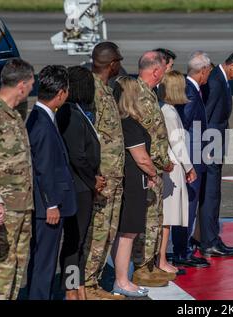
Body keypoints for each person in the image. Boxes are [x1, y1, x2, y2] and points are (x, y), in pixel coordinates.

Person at [26, 65, 77, 299]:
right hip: (48, 205)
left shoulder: (38, 117)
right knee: (45, 261)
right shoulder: (44, 125)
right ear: (61, 94)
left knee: (41, 258)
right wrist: (52, 204)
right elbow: (44, 168)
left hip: (44, 202)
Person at [199, 50, 233, 257]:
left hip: (213, 145)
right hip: (210, 147)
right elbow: (205, 116)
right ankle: (209, 242)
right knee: (211, 195)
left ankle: (211, 237)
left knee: (213, 195)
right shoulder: (215, 81)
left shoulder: (219, 79)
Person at [56, 66, 104, 300]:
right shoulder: (72, 115)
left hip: (82, 186)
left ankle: (78, 285)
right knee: (74, 241)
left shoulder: (76, 111)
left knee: (80, 240)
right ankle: (71, 289)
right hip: (79, 187)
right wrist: (93, 179)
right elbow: (78, 155)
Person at [83, 41, 126, 300]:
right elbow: (85, 137)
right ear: (112, 64)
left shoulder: (105, 90)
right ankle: (87, 285)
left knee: (107, 232)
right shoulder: (92, 92)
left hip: (112, 177)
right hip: (102, 179)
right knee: (97, 232)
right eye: (119, 61)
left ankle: (93, 282)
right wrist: (93, 175)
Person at [112, 76, 158, 297]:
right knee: (128, 233)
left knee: (124, 232)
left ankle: (121, 278)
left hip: (128, 181)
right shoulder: (128, 123)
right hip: (132, 183)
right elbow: (141, 158)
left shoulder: (118, 121)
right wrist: (153, 173)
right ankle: (122, 280)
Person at [131, 51, 174, 287]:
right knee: (149, 219)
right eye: (164, 69)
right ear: (156, 71)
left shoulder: (144, 93)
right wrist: (162, 163)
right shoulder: (143, 98)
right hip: (149, 171)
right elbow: (149, 138)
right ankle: (142, 268)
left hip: (152, 169)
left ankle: (147, 265)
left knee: (154, 218)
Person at [0, 58, 34, 300]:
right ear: (21, 85)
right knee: (2, 266)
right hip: (4, 208)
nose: (32, 89)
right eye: (31, 84)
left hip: (22, 205)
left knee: (17, 266)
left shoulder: (15, 116)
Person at [172, 51, 211, 268]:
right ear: (203, 71)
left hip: (194, 155)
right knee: (188, 204)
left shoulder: (191, 89)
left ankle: (183, 248)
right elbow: (185, 124)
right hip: (191, 157)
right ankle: (182, 251)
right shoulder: (190, 91)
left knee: (189, 204)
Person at [158, 70, 198, 275]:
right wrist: (189, 167)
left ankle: (161, 258)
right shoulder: (170, 112)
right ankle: (162, 260)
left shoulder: (163, 108)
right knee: (167, 219)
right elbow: (177, 144)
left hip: (168, 166)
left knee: (165, 218)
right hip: (173, 168)